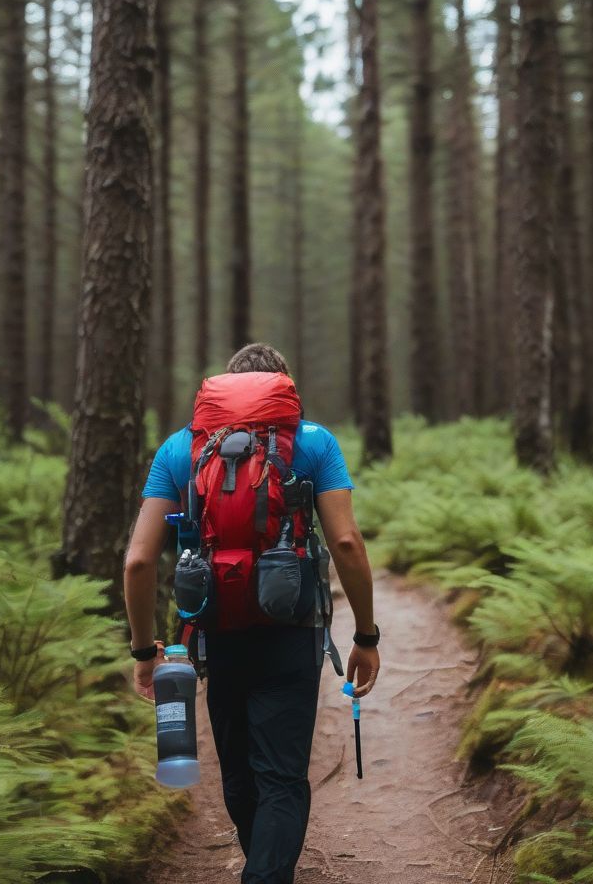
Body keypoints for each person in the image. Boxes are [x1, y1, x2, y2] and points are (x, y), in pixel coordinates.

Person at [123, 342, 380, 884]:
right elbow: (348, 544)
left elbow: (139, 561)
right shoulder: (313, 443)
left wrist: (146, 650)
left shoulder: (180, 449)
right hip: (291, 633)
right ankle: (267, 873)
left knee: (238, 777)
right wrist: (366, 634)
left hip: (214, 632)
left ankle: (261, 866)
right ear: (284, 389)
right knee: (282, 779)